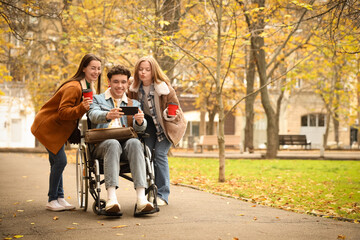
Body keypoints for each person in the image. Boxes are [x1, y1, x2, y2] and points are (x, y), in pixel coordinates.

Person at [31, 53, 102, 211]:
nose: (96, 72)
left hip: (57, 129)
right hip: (48, 127)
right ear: (84, 68)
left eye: (99, 69)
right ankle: (51, 199)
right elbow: (63, 112)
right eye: (93, 68)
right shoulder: (74, 86)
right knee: (61, 161)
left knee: (56, 163)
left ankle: (60, 197)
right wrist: (81, 108)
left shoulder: (88, 87)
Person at [87, 65, 155, 215]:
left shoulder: (133, 104)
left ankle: (141, 199)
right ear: (109, 82)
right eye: (116, 82)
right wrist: (107, 115)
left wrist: (139, 122)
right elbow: (92, 115)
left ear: (128, 83)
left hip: (126, 147)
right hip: (102, 146)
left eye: (123, 82)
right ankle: (111, 200)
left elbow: (140, 130)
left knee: (135, 142)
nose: (120, 86)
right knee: (112, 143)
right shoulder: (97, 99)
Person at [128, 56, 187, 206]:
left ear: (153, 71)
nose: (143, 72)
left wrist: (170, 113)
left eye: (147, 70)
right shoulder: (134, 88)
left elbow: (176, 109)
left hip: (167, 126)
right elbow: (121, 93)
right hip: (149, 126)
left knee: (160, 154)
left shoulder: (165, 88)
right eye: (140, 69)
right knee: (147, 154)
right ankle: (150, 191)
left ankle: (163, 194)